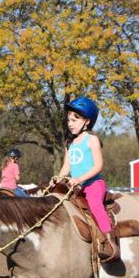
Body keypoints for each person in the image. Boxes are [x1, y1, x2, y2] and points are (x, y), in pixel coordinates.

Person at [52, 96, 119, 262]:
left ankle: (109, 242)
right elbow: (66, 166)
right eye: (69, 119)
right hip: (76, 185)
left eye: (75, 119)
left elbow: (98, 166)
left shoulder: (92, 140)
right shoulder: (70, 143)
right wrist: (57, 179)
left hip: (93, 184)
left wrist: (80, 179)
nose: (70, 123)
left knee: (95, 205)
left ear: (87, 122)